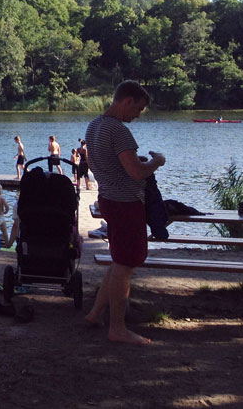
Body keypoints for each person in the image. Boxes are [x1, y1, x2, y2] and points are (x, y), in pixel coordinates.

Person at [83, 80, 164, 345]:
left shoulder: (94, 126)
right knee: (126, 265)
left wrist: (132, 166)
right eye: (138, 108)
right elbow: (137, 172)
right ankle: (118, 329)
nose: (138, 115)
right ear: (127, 101)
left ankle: (95, 314)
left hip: (107, 198)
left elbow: (100, 165)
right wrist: (156, 162)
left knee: (118, 261)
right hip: (125, 204)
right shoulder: (119, 132)